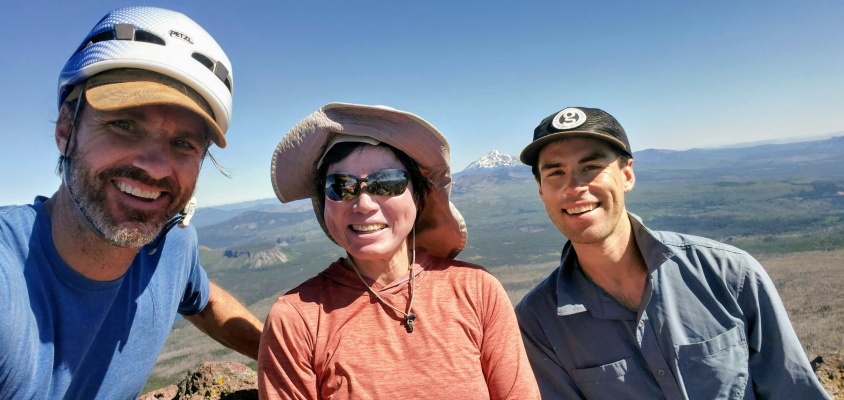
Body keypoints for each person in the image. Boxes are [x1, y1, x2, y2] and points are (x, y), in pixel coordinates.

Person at [0, 7, 263, 399]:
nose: (155, 168)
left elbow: (205, 300)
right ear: (65, 129)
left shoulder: (170, 247)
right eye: (124, 124)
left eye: (183, 144)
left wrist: (289, 356)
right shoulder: (10, 282)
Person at [514, 106, 831, 399]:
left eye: (592, 167)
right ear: (541, 189)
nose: (574, 187)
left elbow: (794, 391)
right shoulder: (538, 323)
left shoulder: (728, 275)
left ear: (627, 175)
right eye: (555, 173)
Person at [258, 103, 539, 399]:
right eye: (341, 186)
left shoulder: (478, 292)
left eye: (386, 182)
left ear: (417, 196)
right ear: (324, 203)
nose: (363, 203)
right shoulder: (295, 321)